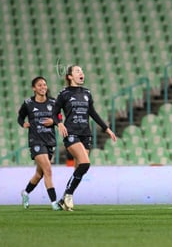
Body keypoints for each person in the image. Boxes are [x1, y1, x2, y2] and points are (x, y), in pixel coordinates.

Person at [52, 65, 116, 211]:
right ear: (70, 76)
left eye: (82, 71)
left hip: (85, 134)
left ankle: (63, 200)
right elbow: (54, 113)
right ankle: (68, 194)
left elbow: (92, 113)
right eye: (77, 71)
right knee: (85, 163)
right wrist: (59, 124)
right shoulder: (64, 93)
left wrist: (107, 129)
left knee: (80, 168)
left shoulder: (87, 93)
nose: (82, 73)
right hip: (71, 133)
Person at [18, 76, 61, 211]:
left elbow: (59, 118)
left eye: (44, 85)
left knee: (39, 174)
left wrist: (53, 122)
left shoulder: (53, 102)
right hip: (35, 141)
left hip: (49, 140)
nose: (43, 87)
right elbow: (20, 116)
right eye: (39, 85)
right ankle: (54, 202)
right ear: (34, 88)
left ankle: (25, 193)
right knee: (48, 169)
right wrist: (23, 123)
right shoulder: (28, 103)